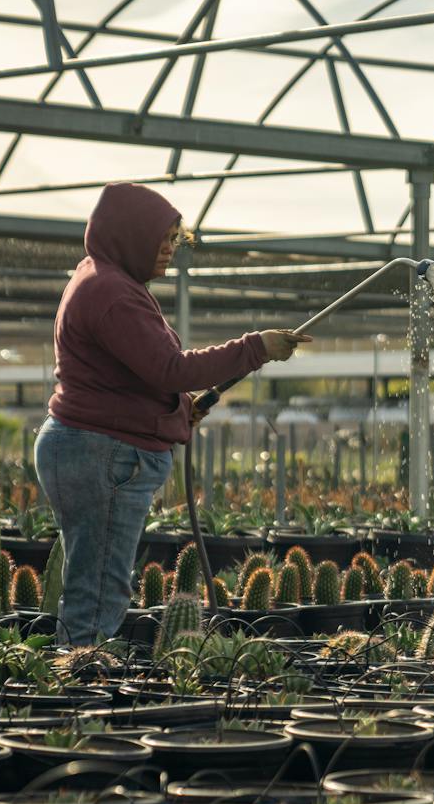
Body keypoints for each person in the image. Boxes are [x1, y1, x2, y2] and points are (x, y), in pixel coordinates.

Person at [35, 182, 306, 644]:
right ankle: (75, 699)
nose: (168, 252)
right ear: (128, 236)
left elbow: (126, 376)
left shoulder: (104, 279)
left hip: (93, 448)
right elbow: (170, 369)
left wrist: (176, 414)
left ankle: (74, 684)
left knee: (95, 584)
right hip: (103, 454)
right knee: (99, 591)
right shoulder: (112, 293)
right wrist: (255, 348)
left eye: (172, 242)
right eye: (160, 241)